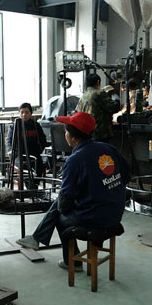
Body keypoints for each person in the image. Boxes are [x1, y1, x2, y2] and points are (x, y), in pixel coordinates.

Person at [16, 111, 129, 270]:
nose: (65, 135)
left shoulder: (75, 160)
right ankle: (37, 237)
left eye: (66, 132)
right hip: (116, 212)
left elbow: (65, 203)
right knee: (62, 202)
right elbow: (126, 175)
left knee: (60, 216)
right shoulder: (108, 148)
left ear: (73, 138)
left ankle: (72, 261)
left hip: (95, 217)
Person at [7, 102, 47, 177]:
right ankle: (25, 183)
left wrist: (38, 151)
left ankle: (35, 183)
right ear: (19, 113)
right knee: (23, 170)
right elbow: (9, 142)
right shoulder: (13, 126)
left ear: (31, 113)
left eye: (27, 112)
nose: (24, 115)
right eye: (22, 112)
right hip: (19, 155)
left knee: (38, 169)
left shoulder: (36, 125)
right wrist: (12, 153)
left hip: (34, 154)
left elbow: (43, 140)